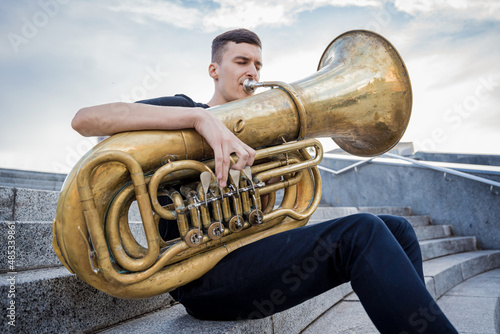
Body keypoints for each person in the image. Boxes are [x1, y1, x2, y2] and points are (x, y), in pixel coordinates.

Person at [72, 29, 458, 333]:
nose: (253, 72)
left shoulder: (263, 130)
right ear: (214, 70)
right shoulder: (185, 109)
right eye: (241, 61)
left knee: (400, 230)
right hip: (203, 281)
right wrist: (199, 120)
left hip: (249, 261)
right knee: (362, 232)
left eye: (258, 64)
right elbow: (85, 120)